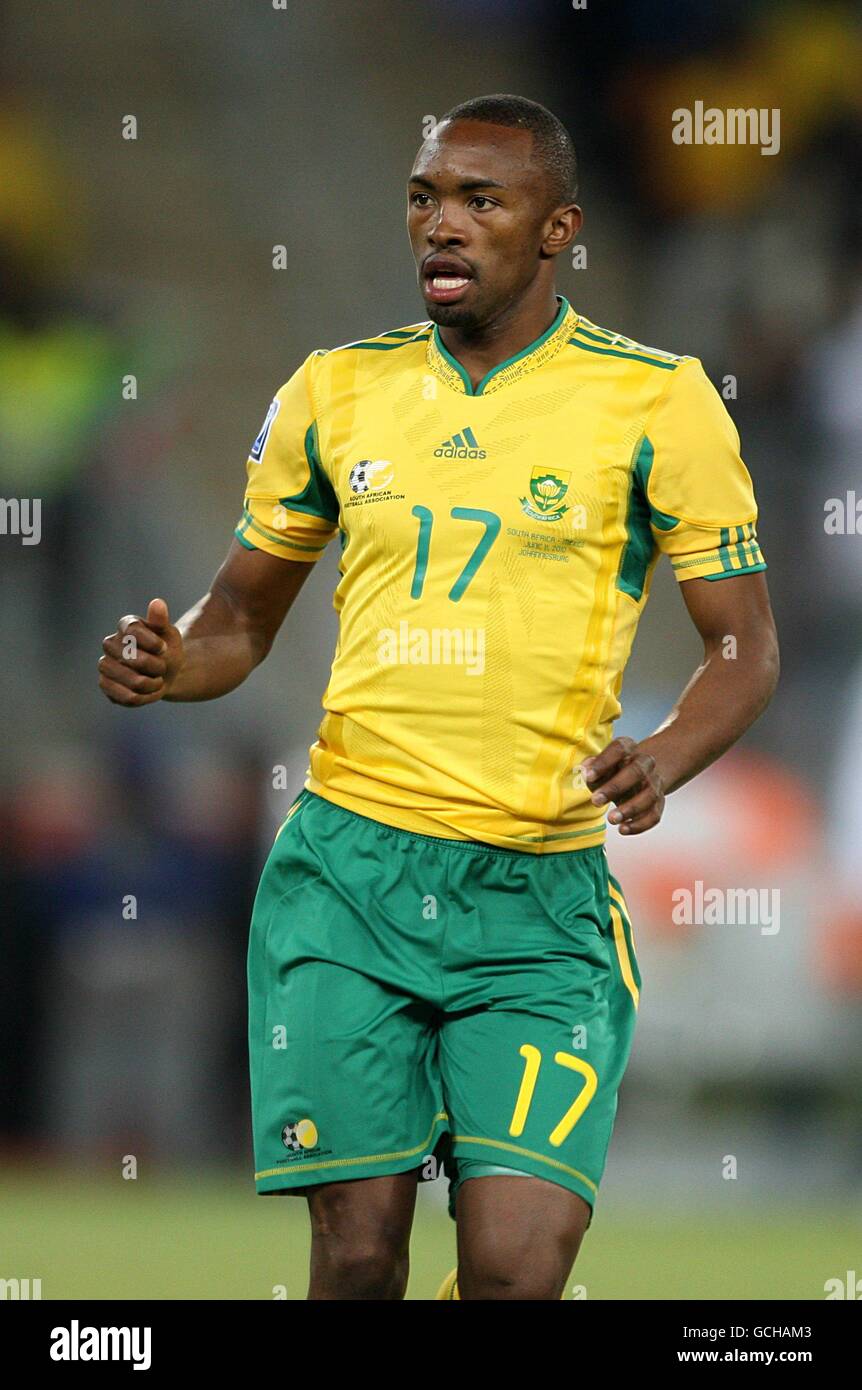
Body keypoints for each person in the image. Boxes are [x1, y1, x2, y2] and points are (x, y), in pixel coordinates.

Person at [98, 94, 779, 1300]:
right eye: (424, 198)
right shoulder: (335, 391)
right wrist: (171, 661)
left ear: (558, 227)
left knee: (516, 1270)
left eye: (481, 200)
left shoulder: (657, 399)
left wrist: (663, 754)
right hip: (347, 880)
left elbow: (744, 648)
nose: (442, 225)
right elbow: (240, 618)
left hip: (536, 895)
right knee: (356, 1257)